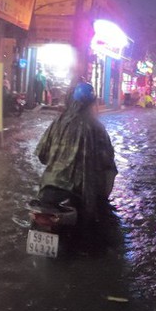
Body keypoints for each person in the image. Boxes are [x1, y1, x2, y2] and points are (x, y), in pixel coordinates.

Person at [35, 82, 118, 221]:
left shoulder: (58, 122)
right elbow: (107, 163)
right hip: (80, 194)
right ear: (92, 104)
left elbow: (42, 155)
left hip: (47, 189)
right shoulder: (97, 128)